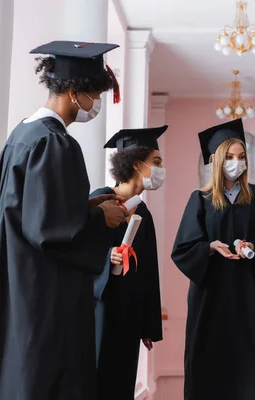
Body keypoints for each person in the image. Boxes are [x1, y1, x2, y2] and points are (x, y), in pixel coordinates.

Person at [0, 40, 127, 400]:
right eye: (94, 94)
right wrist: (101, 220)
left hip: (18, 285)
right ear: (75, 92)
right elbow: (50, 231)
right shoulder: (54, 143)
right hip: (45, 300)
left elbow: (37, 213)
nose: (95, 105)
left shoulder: (22, 136)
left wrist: (90, 209)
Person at [171, 119, 255, 400]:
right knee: (210, 370)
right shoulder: (200, 199)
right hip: (211, 300)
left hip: (250, 300)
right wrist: (210, 247)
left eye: (241, 157)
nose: (237, 163)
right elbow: (183, 249)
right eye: (230, 157)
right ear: (217, 160)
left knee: (254, 369)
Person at [92, 127, 166, 399]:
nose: (160, 170)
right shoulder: (98, 200)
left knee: (122, 383)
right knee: (96, 380)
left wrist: (147, 325)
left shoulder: (143, 212)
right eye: (156, 162)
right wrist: (106, 255)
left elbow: (148, 270)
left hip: (129, 316)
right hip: (99, 311)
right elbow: (77, 251)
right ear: (137, 163)